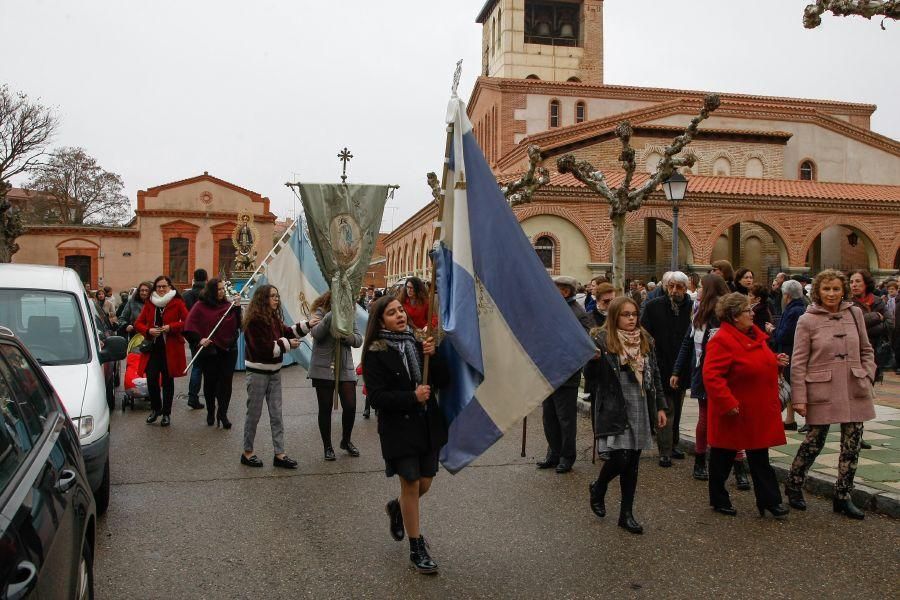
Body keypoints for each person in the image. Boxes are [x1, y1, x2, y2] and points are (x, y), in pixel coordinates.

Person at [362, 295, 448, 574]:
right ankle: (416, 547)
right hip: (398, 428)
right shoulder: (376, 351)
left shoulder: (419, 342)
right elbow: (376, 397)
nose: (399, 315)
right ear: (380, 320)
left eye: (400, 310)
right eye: (391, 313)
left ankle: (397, 508)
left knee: (425, 483)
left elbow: (443, 380)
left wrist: (433, 356)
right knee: (410, 484)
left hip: (426, 424)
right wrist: (411, 397)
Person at [785, 270, 876, 520]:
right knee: (814, 441)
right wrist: (799, 398)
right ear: (817, 291)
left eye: (836, 289)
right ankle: (794, 484)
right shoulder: (807, 320)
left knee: (852, 444)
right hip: (822, 388)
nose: (832, 294)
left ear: (843, 289)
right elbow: (799, 362)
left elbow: (867, 349)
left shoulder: (855, 313)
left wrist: (867, 373)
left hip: (854, 386)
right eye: (826, 289)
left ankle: (843, 496)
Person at [702, 292, 790, 518]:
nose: (752, 314)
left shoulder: (754, 336)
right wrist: (727, 402)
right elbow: (712, 376)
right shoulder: (722, 339)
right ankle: (718, 498)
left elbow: (759, 362)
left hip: (756, 410)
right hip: (735, 410)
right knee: (723, 458)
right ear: (733, 316)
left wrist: (775, 362)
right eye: (747, 311)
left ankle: (769, 501)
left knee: (760, 457)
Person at [589, 296, 667, 534]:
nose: (632, 319)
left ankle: (626, 514)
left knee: (633, 462)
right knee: (620, 457)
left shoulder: (645, 339)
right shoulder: (601, 339)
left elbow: (654, 374)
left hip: (640, 400)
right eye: (626, 314)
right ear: (614, 316)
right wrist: (593, 361)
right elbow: (591, 379)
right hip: (615, 403)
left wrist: (660, 406)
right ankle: (599, 487)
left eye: (634, 314)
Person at [241, 284, 316, 468]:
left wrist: (308, 325)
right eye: (272, 296)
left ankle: (279, 454)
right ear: (262, 298)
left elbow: (288, 332)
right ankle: (247, 452)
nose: (276, 299)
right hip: (258, 373)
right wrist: (287, 344)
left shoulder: (272, 317)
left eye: (277, 295)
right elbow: (265, 349)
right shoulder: (254, 321)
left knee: (276, 415)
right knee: (254, 415)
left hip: (274, 372)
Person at [672, 274, 730, 481]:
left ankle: (733, 464)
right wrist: (677, 371)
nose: (697, 290)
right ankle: (700, 459)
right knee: (705, 417)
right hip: (703, 372)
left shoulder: (723, 313)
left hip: (722, 373)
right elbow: (688, 343)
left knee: (727, 419)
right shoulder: (700, 313)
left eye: (702, 288)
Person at [538, 275, 594, 473]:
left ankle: (567, 456)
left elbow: (582, 343)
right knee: (549, 417)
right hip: (547, 371)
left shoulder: (579, 313)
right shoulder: (549, 309)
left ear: (567, 291)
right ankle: (553, 453)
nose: (555, 291)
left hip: (566, 373)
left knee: (565, 419)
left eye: (560, 288)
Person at [641, 271, 693, 467]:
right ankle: (664, 450)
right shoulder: (654, 306)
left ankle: (674, 444)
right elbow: (644, 331)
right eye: (670, 286)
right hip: (660, 364)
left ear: (686, 288)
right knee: (666, 407)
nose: (674, 291)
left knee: (678, 407)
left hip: (682, 366)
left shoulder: (691, 308)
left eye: (679, 287)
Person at [309, 291, 362, 460]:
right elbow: (316, 333)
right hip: (323, 366)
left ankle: (346, 441)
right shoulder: (321, 311)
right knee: (325, 408)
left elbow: (358, 339)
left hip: (344, 365)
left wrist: (347, 337)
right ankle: (327, 447)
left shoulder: (350, 314)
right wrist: (332, 315)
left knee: (351, 406)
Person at [184, 278, 242, 428]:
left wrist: (237, 308)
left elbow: (239, 325)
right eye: (219, 289)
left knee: (226, 383)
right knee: (210, 384)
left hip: (228, 349)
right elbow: (189, 325)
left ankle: (222, 414)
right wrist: (199, 339)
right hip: (210, 351)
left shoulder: (228, 306)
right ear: (211, 291)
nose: (222, 292)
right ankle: (211, 410)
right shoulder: (200, 306)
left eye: (223, 289)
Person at [134, 276, 189, 427]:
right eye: (158, 287)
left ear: (170, 287)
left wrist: (171, 327)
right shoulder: (150, 303)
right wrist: (148, 330)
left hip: (170, 349)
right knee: (151, 380)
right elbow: (138, 323)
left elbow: (187, 321)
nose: (161, 289)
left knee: (167, 381)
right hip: (153, 349)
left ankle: (166, 413)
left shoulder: (177, 302)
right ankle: (155, 409)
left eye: (164, 286)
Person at [771, 280, 807, 431]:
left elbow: (785, 334)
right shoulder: (798, 308)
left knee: (793, 384)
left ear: (786, 296)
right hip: (791, 350)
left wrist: (773, 331)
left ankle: (804, 419)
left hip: (791, 350)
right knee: (791, 384)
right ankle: (790, 419)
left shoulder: (794, 311)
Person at [848, 269, 889, 383]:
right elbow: (851, 325)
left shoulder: (877, 301)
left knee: (869, 387)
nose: (854, 285)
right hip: (854, 352)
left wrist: (866, 329)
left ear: (866, 283)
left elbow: (889, 323)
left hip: (875, 350)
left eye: (857, 281)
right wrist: (875, 316)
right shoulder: (846, 303)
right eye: (851, 282)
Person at [182, 268, 209, 410]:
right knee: (206, 368)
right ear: (206, 279)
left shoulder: (186, 295)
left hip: (192, 334)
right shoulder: (208, 294)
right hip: (207, 334)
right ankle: (200, 397)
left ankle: (193, 396)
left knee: (197, 367)